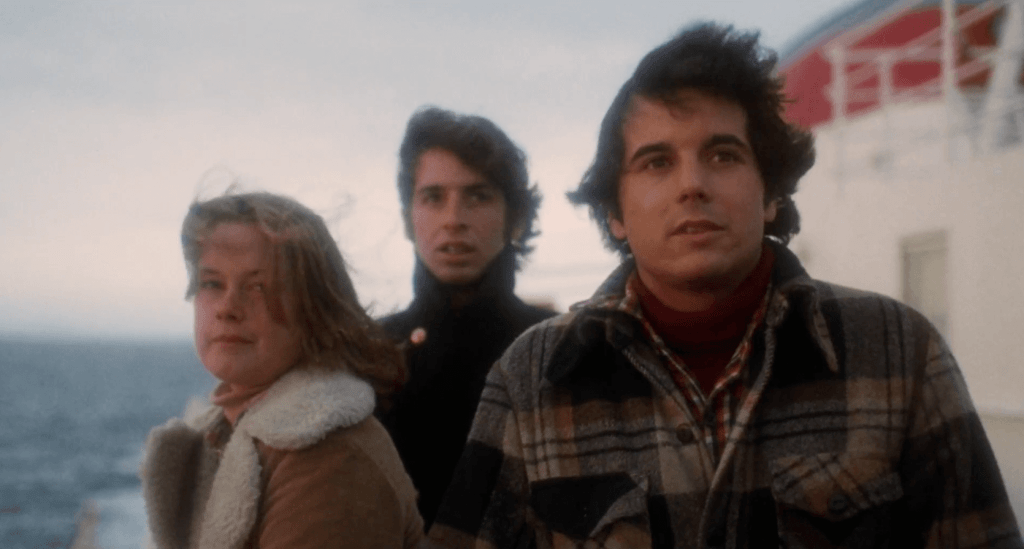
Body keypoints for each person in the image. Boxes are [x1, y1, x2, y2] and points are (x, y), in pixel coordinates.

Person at [425, 23, 1023, 548]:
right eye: (657, 162)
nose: (692, 184)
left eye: (723, 155)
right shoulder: (531, 380)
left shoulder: (900, 353)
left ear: (771, 194)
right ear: (614, 212)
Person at [140, 192, 424, 549]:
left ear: (315, 309)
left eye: (258, 286)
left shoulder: (331, 460)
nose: (227, 307)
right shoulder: (221, 431)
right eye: (212, 283)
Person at [377, 106, 557, 528]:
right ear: (408, 218)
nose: (453, 220)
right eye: (433, 197)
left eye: (478, 196)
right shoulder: (369, 351)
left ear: (514, 218)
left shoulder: (557, 346)